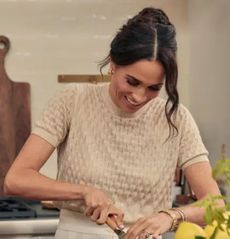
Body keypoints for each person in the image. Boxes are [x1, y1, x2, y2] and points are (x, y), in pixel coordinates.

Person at [4, 7, 223, 239]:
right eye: (132, 81)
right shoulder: (73, 101)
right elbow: (16, 179)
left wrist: (170, 217)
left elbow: (215, 206)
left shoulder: (176, 119)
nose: (139, 97)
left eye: (153, 88)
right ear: (113, 64)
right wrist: (83, 191)